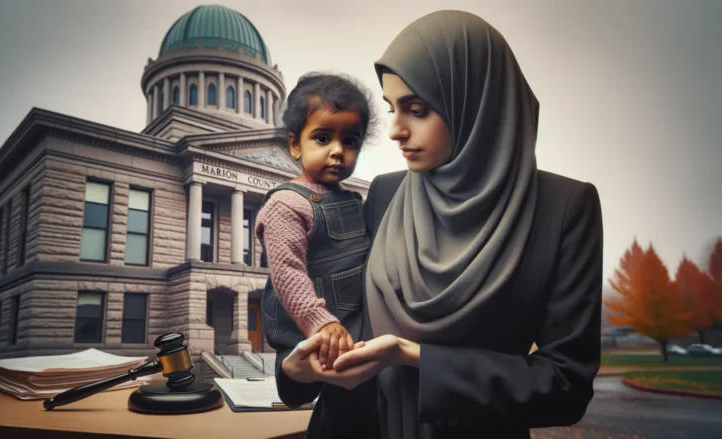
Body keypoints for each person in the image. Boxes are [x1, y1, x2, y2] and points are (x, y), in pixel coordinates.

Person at [277, 10, 604, 439]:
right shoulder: (385, 194)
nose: (395, 130)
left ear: (475, 102)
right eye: (392, 108)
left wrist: (414, 357)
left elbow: (565, 386)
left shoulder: (564, 209)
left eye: (416, 109)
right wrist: (295, 370)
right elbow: (338, 318)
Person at [254, 72, 381, 437]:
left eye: (351, 140)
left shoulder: (353, 199)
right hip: (315, 332)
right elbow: (288, 273)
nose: (338, 150)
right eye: (323, 138)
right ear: (295, 145)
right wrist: (320, 322)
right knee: (343, 412)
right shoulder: (286, 203)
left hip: (353, 330)